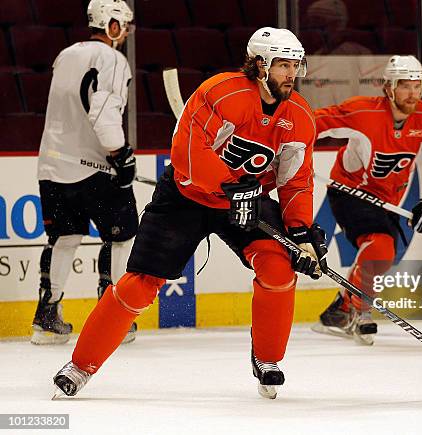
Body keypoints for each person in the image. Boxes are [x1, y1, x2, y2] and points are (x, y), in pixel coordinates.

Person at [52, 27, 327, 400]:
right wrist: (229, 188)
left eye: (296, 66)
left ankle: (268, 360)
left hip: (247, 200)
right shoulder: (222, 92)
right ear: (260, 65)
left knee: (279, 267)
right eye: (283, 65)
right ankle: (82, 364)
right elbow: (187, 153)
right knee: (139, 284)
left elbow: (296, 180)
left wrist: (300, 232)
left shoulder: (299, 116)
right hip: (186, 196)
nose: (291, 74)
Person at [312, 55, 422, 344]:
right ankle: (359, 311)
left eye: (418, 86)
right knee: (381, 248)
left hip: (388, 199)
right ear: (388, 88)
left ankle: (340, 311)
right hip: (349, 191)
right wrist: (282, 146)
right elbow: (312, 124)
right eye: (405, 86)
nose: (413, 94)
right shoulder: (362, 112)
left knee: (381, 256)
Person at [33, 0, 138, 345]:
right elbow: (103, 111)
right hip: (96, 167)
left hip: (52, 164)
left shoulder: (66, 55)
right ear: (110, 24)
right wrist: (120, 154)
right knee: (120, 237)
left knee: (64, 238)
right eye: (123, 24)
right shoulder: (113, 59)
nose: (125, 32)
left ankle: (47, 317)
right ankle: (113, 317)